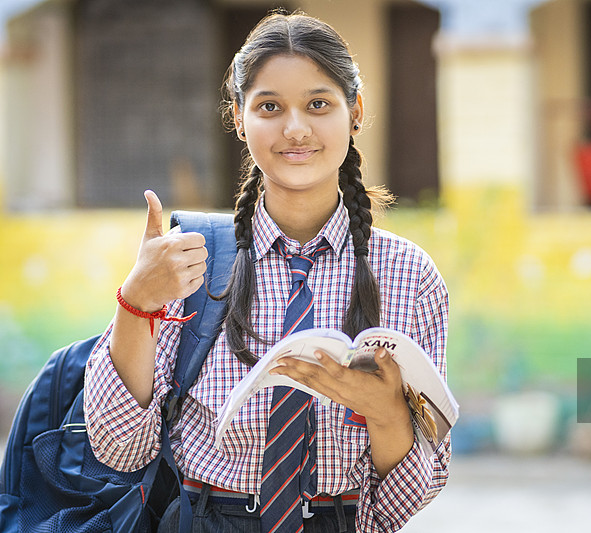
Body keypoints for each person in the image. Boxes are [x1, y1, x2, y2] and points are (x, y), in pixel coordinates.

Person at [83, 10, 450, 533]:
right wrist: (136, 300)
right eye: (269, 106)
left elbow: (402, 503)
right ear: (238, 117)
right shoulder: (187, 260)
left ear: (356, 111)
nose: (295, 129)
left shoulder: (408, 275)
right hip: (203, 518)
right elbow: (119, 448)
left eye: (318, 104)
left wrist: (386, 413)